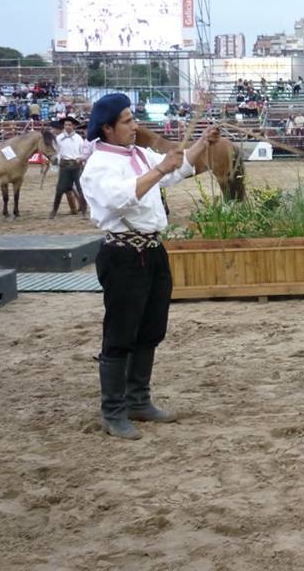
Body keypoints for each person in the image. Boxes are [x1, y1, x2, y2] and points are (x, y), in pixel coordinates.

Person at [80, 93, 220, 440]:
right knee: (120, 333)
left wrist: (201, 142)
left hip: (153, 250)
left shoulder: (139, 154)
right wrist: (160, 169)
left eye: (133, 118)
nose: (135, 125)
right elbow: (122, 198)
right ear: (107, 128)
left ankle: (138, 400)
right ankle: (113, 411)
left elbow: (177, 169)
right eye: (127, 121)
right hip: (123, 254)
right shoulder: (98, 165)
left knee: (150, 328)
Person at [49, 116, 88, 219]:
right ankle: (54, 211)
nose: (67, 127)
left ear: (74, 126)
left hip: (76, 166)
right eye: (66, 125)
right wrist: (55, 159)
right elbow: (56, 152)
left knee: (80, 189)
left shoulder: (79, 139)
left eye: (69, 125)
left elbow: (82, 152)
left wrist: (81, 159)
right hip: (64, 166)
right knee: (59, 190)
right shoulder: (59, 138)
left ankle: (84, 212)